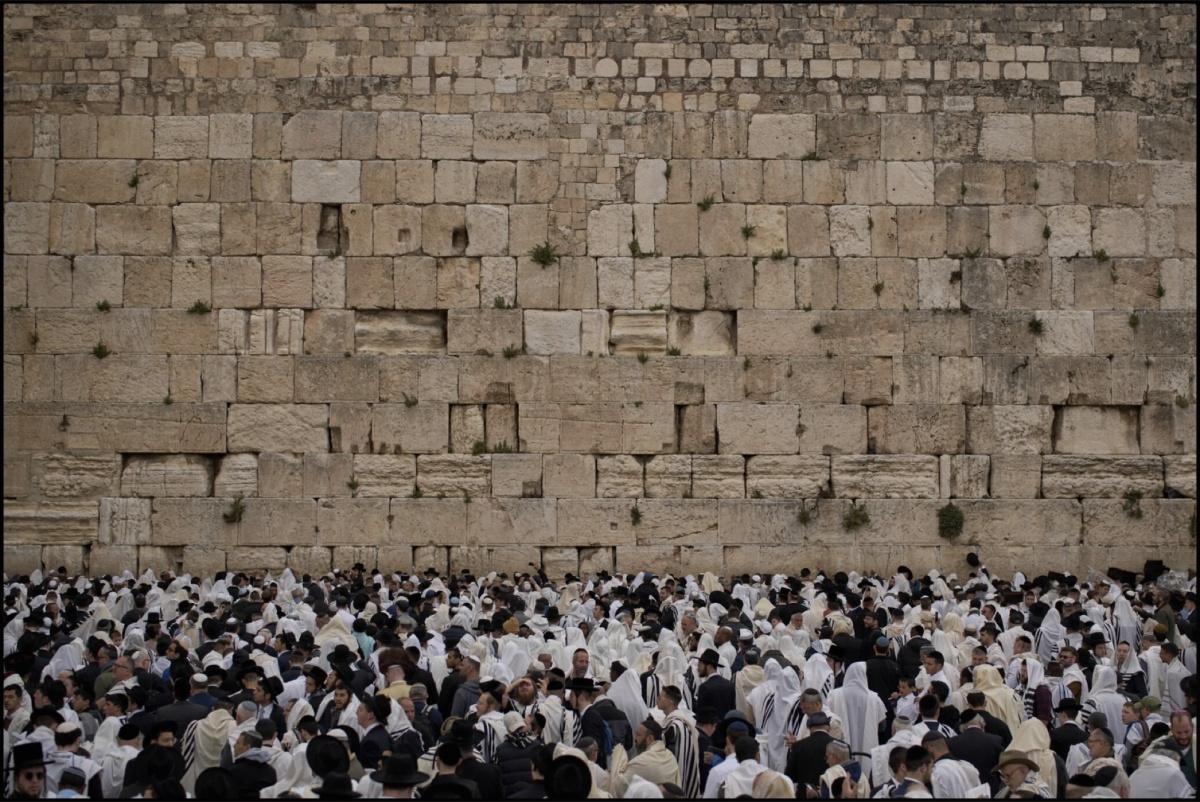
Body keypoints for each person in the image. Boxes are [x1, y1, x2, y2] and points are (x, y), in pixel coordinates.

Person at [611, 715, 680, 796]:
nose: (635, 739)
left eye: (638, 735)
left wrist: (618, 758)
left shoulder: (643, 761)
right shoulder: (670, 756)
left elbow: (618, 786)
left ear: (650, 738)